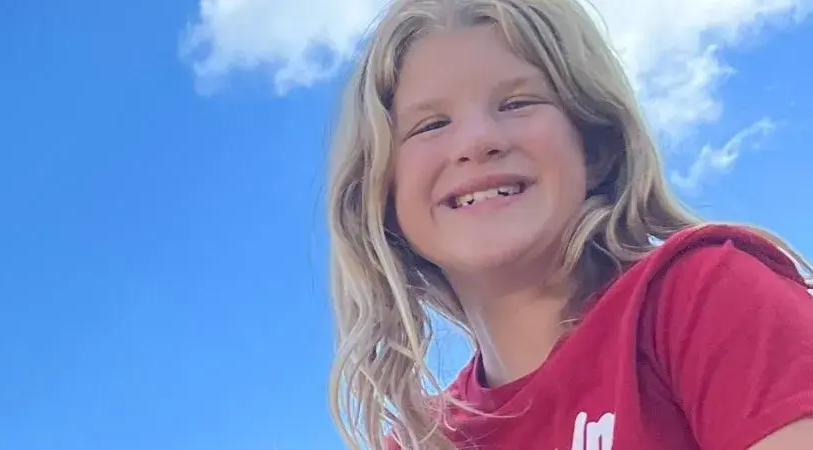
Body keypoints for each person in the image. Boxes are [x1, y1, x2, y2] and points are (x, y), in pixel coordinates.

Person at [321, 0, 813, 449]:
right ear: (383, 194)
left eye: (517, 103)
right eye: (430, 125)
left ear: (593, 147)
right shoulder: (418, 441)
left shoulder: (705, 297)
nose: (477, 140)